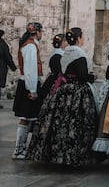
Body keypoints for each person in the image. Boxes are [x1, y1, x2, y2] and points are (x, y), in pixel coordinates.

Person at [27, 27, 97, 166]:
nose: (83, 39)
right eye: (82, 37)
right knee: (76, 122)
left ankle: (55, 153)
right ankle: (73, 155)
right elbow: (82, 75)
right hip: (77, 91)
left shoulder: (66, 52)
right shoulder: (79, 54)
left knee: (59, 120)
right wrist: (93, 77)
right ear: (78, 38)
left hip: (63, 90)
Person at [11, 21, 43, 159]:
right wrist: (32, 89)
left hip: (26, 84)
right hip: (28, 84)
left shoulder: (28, 44)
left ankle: (22, 148)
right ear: (37, 32)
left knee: (27, 118)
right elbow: (30, 70)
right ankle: (19, 149)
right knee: (25, 118)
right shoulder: (30, 46)